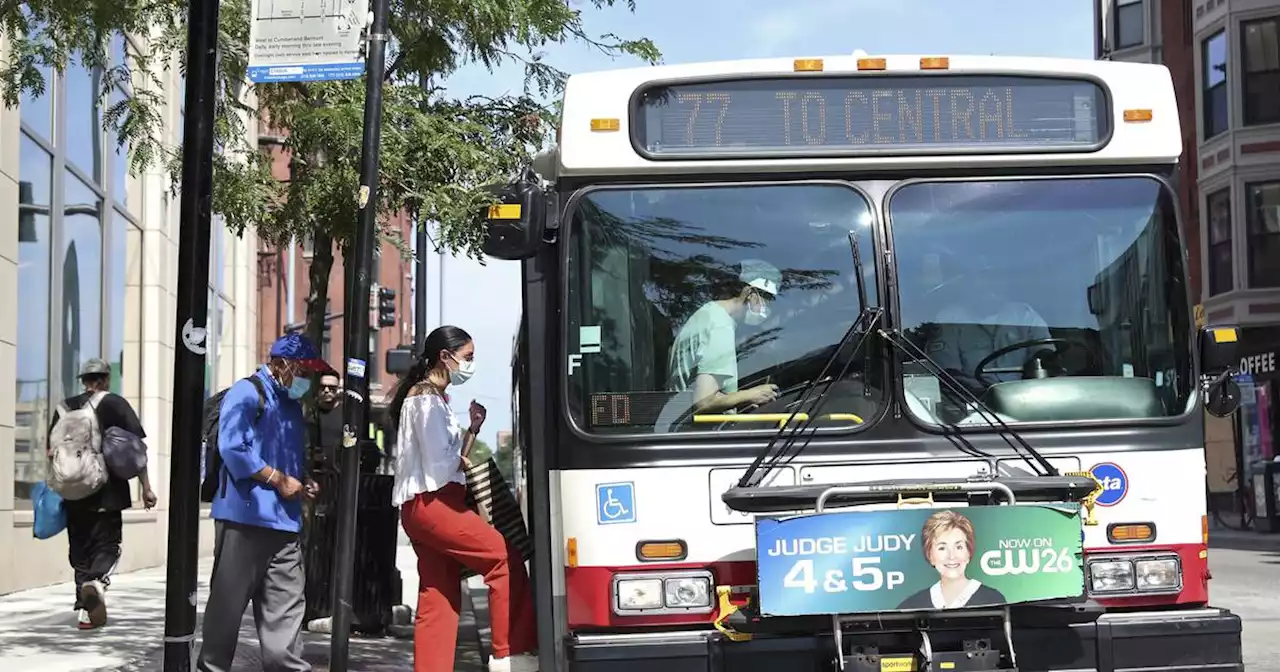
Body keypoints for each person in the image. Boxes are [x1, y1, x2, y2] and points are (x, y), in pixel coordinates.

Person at [388, 325, 537, 672]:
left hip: (421, 508)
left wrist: (471, 429)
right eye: (467, 357)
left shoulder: (426, 397)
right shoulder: (425, 400)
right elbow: (443, 464)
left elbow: (446, 457)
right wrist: (462, 447)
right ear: (445, 356)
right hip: (436, 504)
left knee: (438, 596)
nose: (471, 364)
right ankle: (509, 654)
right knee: (503, 559)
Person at [197, 333, 325, 672]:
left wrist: (302, 479)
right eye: (304, 371)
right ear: (282, 364)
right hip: (244, 519)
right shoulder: (246, 392)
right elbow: (233, 448)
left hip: (285, 524)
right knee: (227, 610)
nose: (307, 379)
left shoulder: (292, 405)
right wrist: (279, 480)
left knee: (286, 614)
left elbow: (284, 455)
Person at [49, 358, 156, 630]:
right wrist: (146, 487)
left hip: (73, 495)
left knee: (80, 550)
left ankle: (85, 613)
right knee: (107, 545)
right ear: (106, 379)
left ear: (83, 380)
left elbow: (50, 452)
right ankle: (96, 583)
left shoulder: (64, 408)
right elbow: (135, 451)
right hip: (107, 492)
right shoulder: (114, 403)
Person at [666, 259, 784, 415]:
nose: (767, 306)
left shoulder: (707, 314)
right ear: (749, 293)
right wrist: (751, 395)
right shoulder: (720, 326)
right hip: (706, 436)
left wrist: (739, 401)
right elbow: (704, 401)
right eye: (767, 298)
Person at [896, 510, 1007, 610]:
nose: (951, 556)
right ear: (930, 555)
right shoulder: (912, 606)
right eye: (942, 548)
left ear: (968, 552)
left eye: (959, 547)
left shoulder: (993, 600)